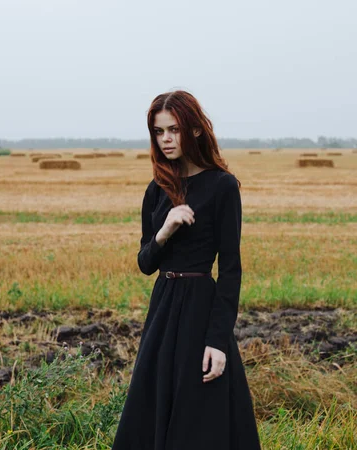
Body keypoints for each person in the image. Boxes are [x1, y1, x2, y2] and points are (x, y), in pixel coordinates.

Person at [112, 90, 262, 450]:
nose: (165, 139)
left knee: (199, 414)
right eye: (158, 131)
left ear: (194, 130)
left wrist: (217, 340)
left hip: (199, 309)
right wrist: (165, 228)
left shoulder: (222, 186)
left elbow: (231, 271)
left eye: (173, 130)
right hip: (163, 309)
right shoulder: (157, 189)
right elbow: (146, 263)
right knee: (151, 410)